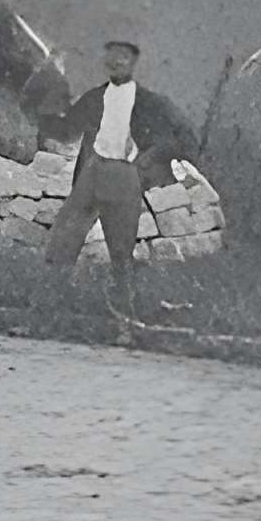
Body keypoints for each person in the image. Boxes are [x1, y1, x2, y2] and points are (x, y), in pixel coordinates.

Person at [38, 39, 199, 340]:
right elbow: (64, 129)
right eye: (111, 56)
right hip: (92, 173)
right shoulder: (94, 98)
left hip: (124, 176)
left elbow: (184, 137)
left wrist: (147, 160)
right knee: (61, 242)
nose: (115, 62)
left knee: (121, 254)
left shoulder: (149, 102)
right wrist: (49, 95)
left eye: (123, 57)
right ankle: (48, 318)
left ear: (133, 63)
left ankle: (126, 327)